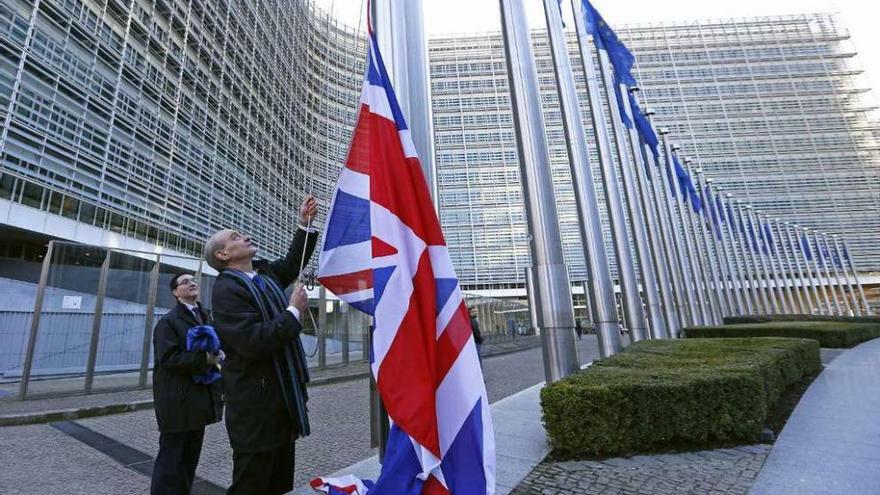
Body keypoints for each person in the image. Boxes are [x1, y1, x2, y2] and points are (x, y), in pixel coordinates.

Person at [205, 196, 318, 495]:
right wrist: (293, 312)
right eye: (235, 237)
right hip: (255, 411)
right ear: (224, 255)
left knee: (281, 483)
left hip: (282, 404)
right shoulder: (226, 290)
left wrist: (304, 226)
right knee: (252, 483)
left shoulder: (265, 274)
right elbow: (253, 341)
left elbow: (293, 263)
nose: (244, 236)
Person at [151, 273, 223, 495]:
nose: (191, 283)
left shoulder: (204, 316)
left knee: (189, 460)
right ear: (175, 292)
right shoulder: (169, 322)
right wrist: (207, 360)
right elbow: (169, 359)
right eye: (184, 282)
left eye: (193, 280)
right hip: (177, 402)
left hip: (197, 400)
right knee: (171, 461)